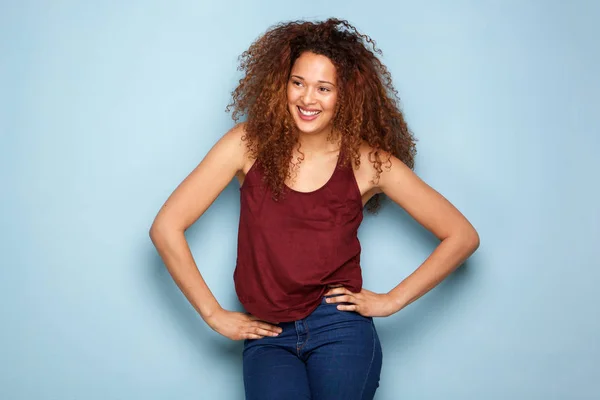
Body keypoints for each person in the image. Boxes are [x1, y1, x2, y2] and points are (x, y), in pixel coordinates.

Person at [149, 18, 480, 400]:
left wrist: (392, 300)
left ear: (345, 95)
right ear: (282, 83)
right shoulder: (245, 144)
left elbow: (462, 236)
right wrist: (212, 314)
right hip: (268, 333)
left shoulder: (367, 162)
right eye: (298, 83)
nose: (308, 99)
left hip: (339, 329)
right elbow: (166, 226)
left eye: (324, 88)